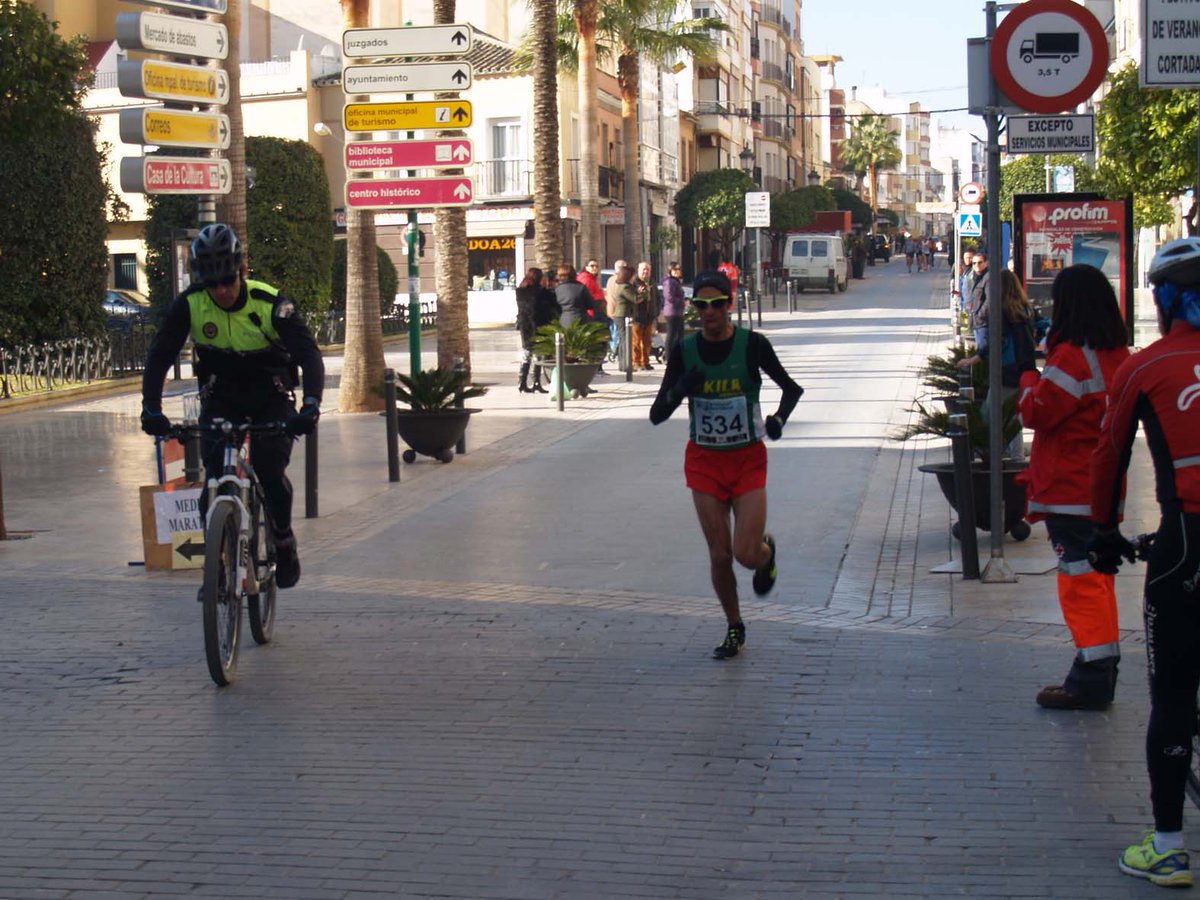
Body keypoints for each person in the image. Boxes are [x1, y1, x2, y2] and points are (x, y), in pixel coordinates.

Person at [1090, 237, 1200, 888]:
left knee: (1174, 697)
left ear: (1166, 301)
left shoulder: (1146, 365)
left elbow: (1110, 456)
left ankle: (1168, 846)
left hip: (1186, 541)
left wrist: (1105, 532)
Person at [139, 223, 324, 590]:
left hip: (270, 397)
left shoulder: (271, 304)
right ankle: (218, 558)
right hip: (222, 397)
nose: (221, 291)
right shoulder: (191, 304)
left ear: (242, 270)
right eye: (212, 284)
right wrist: (151, 408)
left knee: (269, 469)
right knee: (212, 477)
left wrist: (311, 405)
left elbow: (308, 355)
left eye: (227, 280)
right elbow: (159, 356)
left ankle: (283, 539)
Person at [649, 270, 804, 660]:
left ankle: (765, 555)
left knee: (745, 554)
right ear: (694, 308)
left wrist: (778, 420)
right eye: (701, 305)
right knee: (719, 554)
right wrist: (680, 389)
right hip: (704, 462)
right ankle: (735, 626)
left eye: (717, 304)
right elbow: (656, 415)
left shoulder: (752, 345)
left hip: (747, 459)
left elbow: (791, 388)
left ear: (729, 305)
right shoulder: (684, 351)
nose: (709, 312)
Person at [1015, 265, 1130, 710]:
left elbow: (1037, 412)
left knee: (1080, 582)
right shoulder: (1117, 354)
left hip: (1070, 489)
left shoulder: (1071, 357)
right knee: (1098, 579)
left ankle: (1091, 678)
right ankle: (1100, 669)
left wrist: (1028, 377)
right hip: (1103, 487)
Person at [957, 269, 1037, 458]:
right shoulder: (1024, 309)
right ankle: (1015, 455)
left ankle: (996, 455)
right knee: (1012, 414)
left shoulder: (1001, 311)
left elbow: (996, 343)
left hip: (1005, 370)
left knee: (990, 413)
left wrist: (973, 359)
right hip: (1023, 369)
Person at [515, 267, 557, 393]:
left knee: (527, 352)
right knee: (538, 353)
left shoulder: (520, 291)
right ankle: (536, 382)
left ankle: (522, 382)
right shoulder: (540, 292)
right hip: (538, 324)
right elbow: (548, 306)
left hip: (525, 325)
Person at [605, 260, 636, 368]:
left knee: (618, 335)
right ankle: (622, 360)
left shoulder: (611, 280)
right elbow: (632, 298)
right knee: (623, 337)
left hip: (613, 311)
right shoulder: (623, 284)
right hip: (620, 312)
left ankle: (618, 357)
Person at [632, 260, 657, 371]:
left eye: (647, 270)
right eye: (643, 270)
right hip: (637, 316)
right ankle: (636, 362)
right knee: (636, 342)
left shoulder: (652, 282)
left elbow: (657, 298)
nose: (645, 272)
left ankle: (645, 362)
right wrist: (639, 292)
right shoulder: (635, 283)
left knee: (647, 342)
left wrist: (656, 311)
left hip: (649, 316)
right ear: (639, 271)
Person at [554, 263, 593, 329]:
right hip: (580, 320)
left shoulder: (557, 289)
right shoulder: (581, 287)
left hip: (564, 321)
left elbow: (556, 306)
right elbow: (590, 304)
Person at [661, 261, 686, 359]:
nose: (677, 271)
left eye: (679, 269)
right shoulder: (669, 282)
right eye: (675, 269)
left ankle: (677, 355)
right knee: (671, 335)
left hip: (678, 311)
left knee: (679, 335)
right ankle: (668, 357)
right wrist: (681, 301)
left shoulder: (676, 281)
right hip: (672, 312)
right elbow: (669, 297)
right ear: (670, 270)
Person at [967, 249, 990, 350]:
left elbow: (989, 300)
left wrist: (980, 314)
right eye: (974, 263)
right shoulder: (976, 277)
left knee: (983, 349)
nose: (977, 265)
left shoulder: (988, 277)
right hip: (976, 321)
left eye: (980, 262)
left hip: (984, 322)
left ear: (986, 263)